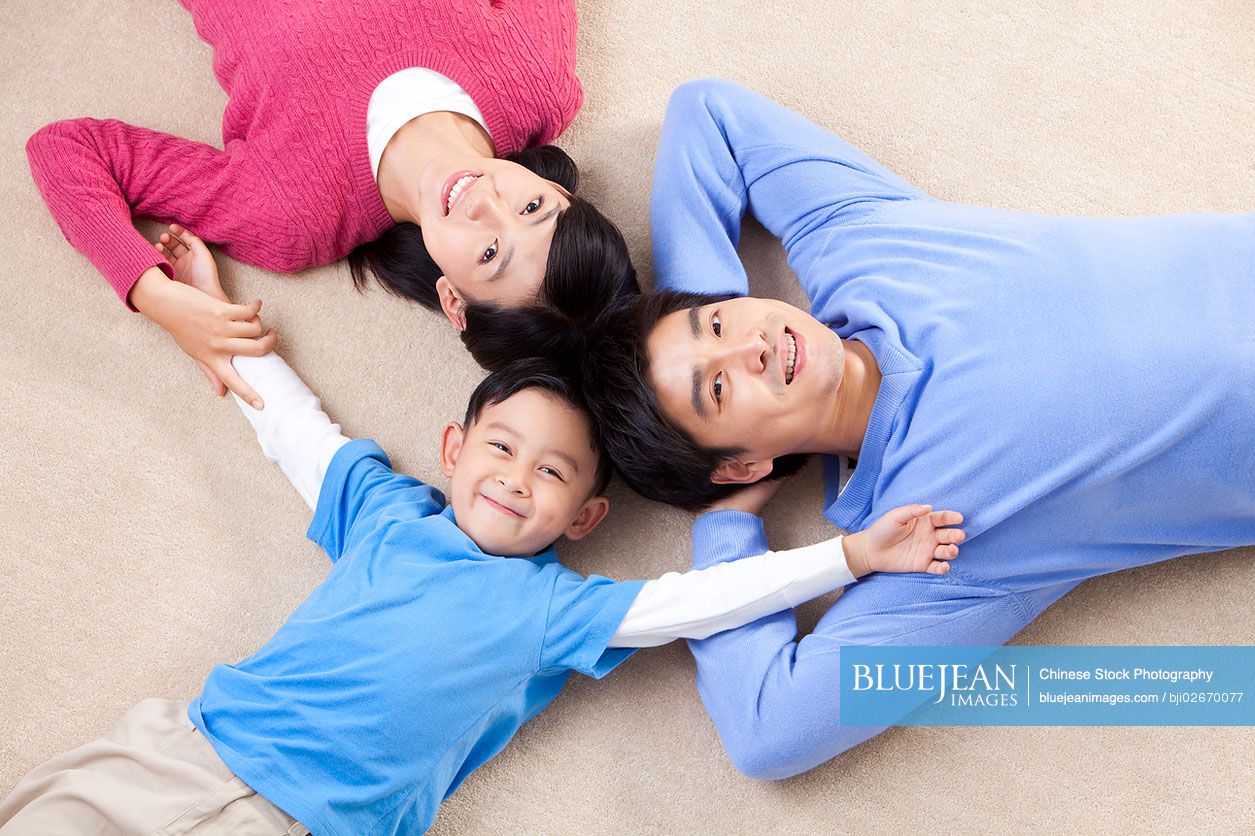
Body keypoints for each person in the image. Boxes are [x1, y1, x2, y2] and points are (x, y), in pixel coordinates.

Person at [0, 227, 966, 834]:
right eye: (501, 451)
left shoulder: (554, 609)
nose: (515, 481)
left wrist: (848, 554)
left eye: (551, 475)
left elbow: (694, 603)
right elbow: (296, 432)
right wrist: (211, 312)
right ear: (453, 449)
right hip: (193, 746)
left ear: (585, 518)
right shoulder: (384, 515)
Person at [579, 79, 1255, 778]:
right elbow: (766, 731)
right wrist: (724, 522)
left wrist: (697, 303)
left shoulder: (861, 243)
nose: (747, 346)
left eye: (717, 322)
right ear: (743, 464)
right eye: (716, 388)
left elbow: (707, 112)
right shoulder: (931, 547)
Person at [25, 0, 636, 411]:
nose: (485, 203)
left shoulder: (293, 214)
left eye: (492, 252)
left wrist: (155, 296)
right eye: (531, 208)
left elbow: (66, 151)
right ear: (557, 190)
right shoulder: (535, 80)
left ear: (453, 298)